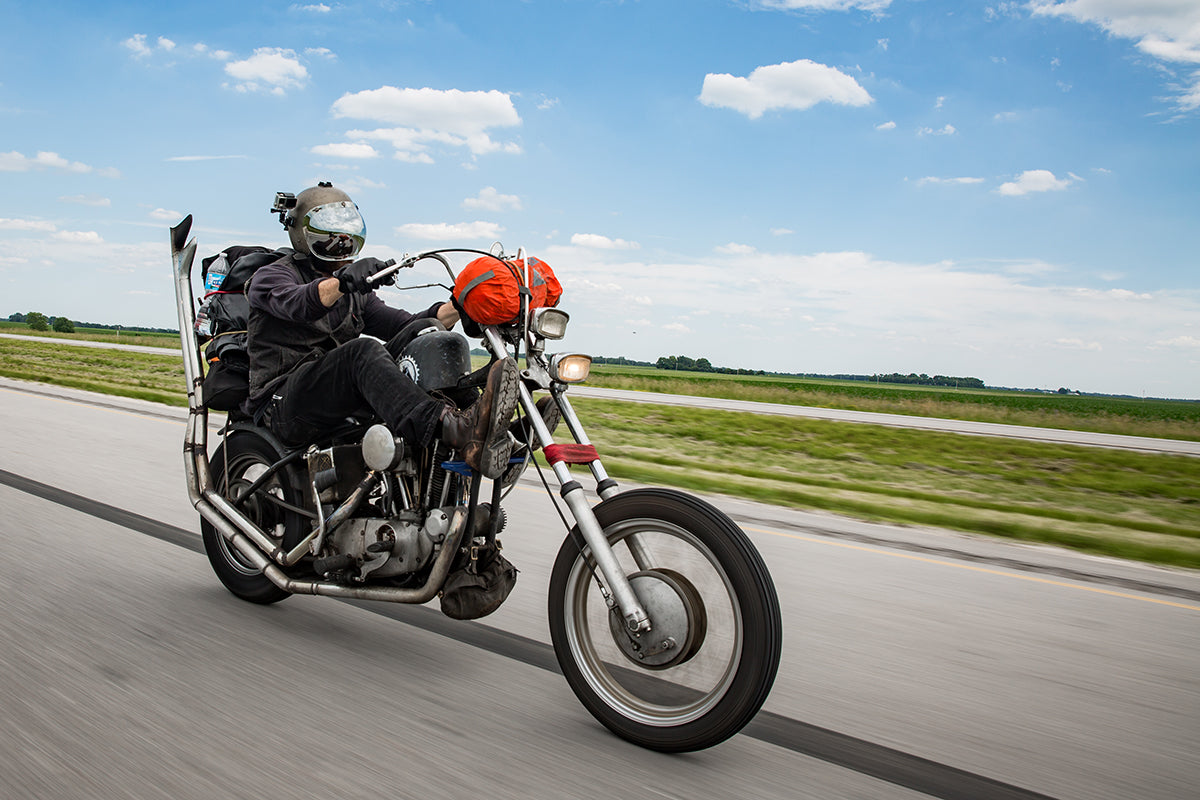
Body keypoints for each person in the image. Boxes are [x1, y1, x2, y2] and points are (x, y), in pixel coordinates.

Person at [244, 182, 518, 479]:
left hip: (333, 397)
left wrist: (463, 305)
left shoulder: (354, 293)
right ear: (303, 233)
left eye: (347, 232)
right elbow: (299, 304)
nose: (342, 241)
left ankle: (488, 430)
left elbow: (404, 324)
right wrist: (344, 283)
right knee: (361, 352)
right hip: (282, 403)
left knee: (429, 331)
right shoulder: (272, 275)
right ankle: (453, 428)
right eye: (330, 232)